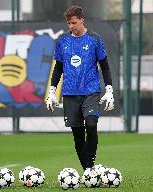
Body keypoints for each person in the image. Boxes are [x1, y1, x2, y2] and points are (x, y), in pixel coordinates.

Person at [46, 5, 114, 170]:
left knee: (91, 125)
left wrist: (109, 90)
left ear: (82, 20)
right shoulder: (63, 41)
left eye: (74, 23)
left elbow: (104, 66)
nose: (71, 26)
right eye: (69, 23)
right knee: (77, 136)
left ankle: (90, 168)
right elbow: (58, 68)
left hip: (90, 91)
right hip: (70, 94)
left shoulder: (94, 39)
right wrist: (52, 91)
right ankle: (88, 171)